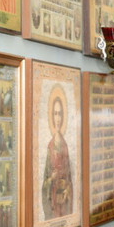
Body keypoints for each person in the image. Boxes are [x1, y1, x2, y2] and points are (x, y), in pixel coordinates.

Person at [41, 89, 73, 219]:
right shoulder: (50, 147)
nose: (58, 118)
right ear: (52, 117)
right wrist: (51, 179)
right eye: (55, 114)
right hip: (53, 201)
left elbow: (70, 179)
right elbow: (44, 183)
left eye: (60, 114)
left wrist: (67, 189)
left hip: (63, 202)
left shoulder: (65, 146)